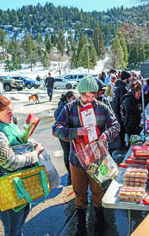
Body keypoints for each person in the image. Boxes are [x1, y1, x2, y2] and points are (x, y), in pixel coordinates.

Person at [52, 76, 120, 236]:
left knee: (98, 190)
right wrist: (76, 132)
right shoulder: (69, 108)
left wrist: (106, 134)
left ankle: (100, 221)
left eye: (93, 96)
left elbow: (115, 125)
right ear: (80, 93)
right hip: (77, 160)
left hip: (98, 158)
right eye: (86, 96)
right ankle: (81, 224)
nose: (90, 99)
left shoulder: (102, 107)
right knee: (80, 192)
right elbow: (56, 129)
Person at [0, 92, 44, 236]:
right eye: (8, 112)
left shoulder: (6, 127)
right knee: (12, 228)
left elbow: (12, 146)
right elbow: (11, 163)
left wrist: (27, 142)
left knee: (18, 222)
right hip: (3, 188)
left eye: (12, 110)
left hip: (15, 182)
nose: (12, 115)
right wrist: (34, 154)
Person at [54, 91, 77, 186]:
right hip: (64, 135)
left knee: (73, 152)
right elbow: (58, 122)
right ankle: (70, 173)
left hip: (70, 133)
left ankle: (73, 172)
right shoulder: (61, 108)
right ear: (68, 99)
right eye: (73, 98)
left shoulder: (70, 106)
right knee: (67, 153)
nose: (75, 100)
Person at [114, 70, 131, 149]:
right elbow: (123, 101)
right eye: (129, 78)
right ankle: (122, 146)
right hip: (120, 111)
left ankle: (121, 144)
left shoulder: (117, 85)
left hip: (116, 109)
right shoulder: (123, 87)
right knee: (121, 129)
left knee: (120, 128)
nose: (130, 79)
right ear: (126, 78)